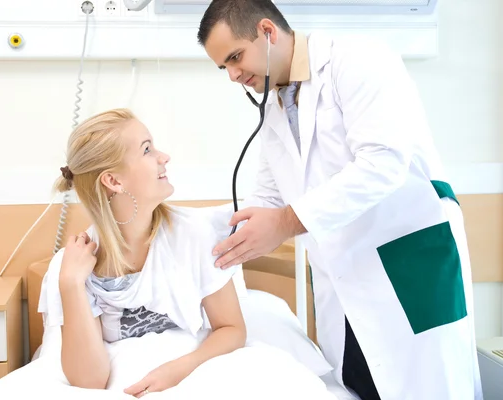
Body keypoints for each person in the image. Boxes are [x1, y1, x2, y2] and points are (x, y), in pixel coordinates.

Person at [196, 0, 483, 399]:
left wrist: (283, 223)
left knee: (428, 384)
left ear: (267, 30)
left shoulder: (358, 61)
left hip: (410, 262)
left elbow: (383, 162)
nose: (232, 75)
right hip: (344, 280)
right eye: (223, 67)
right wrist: (182, 227)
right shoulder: (277, 106)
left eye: (234, 57)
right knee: (361, 383)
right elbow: (266, 196)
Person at [37, 108, 246, 397]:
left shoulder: (193, 235)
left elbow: (232, 329)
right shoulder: (75, 266)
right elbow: (89, 381)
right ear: (113, 181)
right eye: (147, 150)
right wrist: (70, 285)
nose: (164, 157)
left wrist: (179, 369)